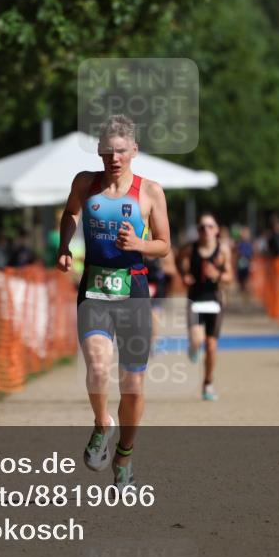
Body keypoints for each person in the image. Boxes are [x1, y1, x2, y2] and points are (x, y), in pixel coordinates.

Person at [56, 114, 171, 489]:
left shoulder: (150, 192)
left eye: (121, 151)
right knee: (97, 363)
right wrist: (64, 247)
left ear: (134, 151)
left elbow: (164, 244)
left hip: (134, 290)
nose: (114, 158)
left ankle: (124, 453)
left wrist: (139, 244)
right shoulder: (85, 184)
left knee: (133, 386)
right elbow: (70, 213)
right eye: (107, 151)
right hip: (94, 288)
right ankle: (101, 423)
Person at [177, 212, 232, 401]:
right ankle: (192, 347)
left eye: (210, 226)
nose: (206, 230)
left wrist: (217, 274)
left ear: (216, 230)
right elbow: (178, 259)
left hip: (215, 300)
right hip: (195, 299)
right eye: (202, 227)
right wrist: (184, 274)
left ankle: (208, 383)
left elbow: (229, 277)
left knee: (211, 345)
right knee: (197, 340)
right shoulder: (190, 249)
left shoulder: (223, 250)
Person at [234, 226, 254, 298]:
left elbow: (252, 254)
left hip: (247, 264)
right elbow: (236, 254)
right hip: (240, 264)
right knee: (240, 280)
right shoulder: (239, 243)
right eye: (243, 234)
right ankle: (242, 292)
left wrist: (251, 263)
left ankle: (246, 294)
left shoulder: (250, 244)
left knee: (246, 279)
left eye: (246, 234)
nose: (244, 236)